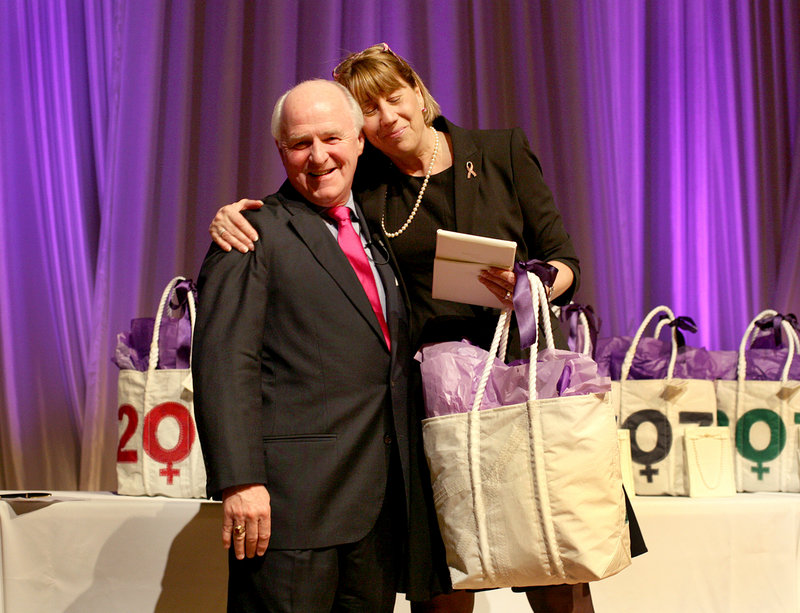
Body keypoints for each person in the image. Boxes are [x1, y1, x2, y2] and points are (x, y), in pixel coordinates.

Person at [208, 44, 645, 613]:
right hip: (430, 399)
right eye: (371, 109)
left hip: (517, 381)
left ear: (418, 91)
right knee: (440, 577)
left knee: (553, 559)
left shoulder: (498, 152)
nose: (389, 117)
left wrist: (529, 283)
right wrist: (231, 215)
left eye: (395, 98)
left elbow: (567, 262)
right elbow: (309, 193)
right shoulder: (367, 185)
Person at [193, 79, 428, 612]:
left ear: (360, 141)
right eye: (300, 143)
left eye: (332, 138)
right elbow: (224, 365)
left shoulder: (377, 232)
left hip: (373, 514)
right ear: (281, 151)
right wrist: (241, 481)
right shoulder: (251, 232)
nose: (318, 156)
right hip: (288, 515)